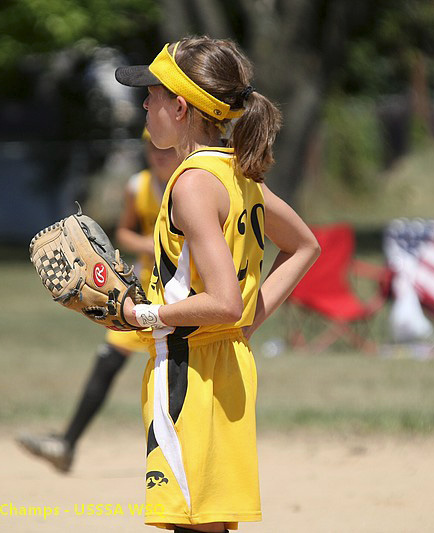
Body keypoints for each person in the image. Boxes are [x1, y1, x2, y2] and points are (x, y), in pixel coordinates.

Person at [115, 37, 320, 532]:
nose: (145, 103)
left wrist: (142, 315)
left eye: (155, 93)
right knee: (209, 523)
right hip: (228, 364)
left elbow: (224, 300)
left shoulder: (190, 183)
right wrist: (246, 323)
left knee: (193, 524)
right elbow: (304, 246)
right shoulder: (236, 172)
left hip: (188, 370)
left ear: (180, 107)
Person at [16, 132, 182, 473]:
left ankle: (180, 449)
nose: (158, 153)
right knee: (108, 360)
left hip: (178, 292)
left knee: (177, 367)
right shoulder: (139, 186)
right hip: (140, 292)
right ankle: (67, 443)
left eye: (164, 146)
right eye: (152, 146)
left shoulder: (190, 182)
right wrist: (150, 246)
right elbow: (124, 233)